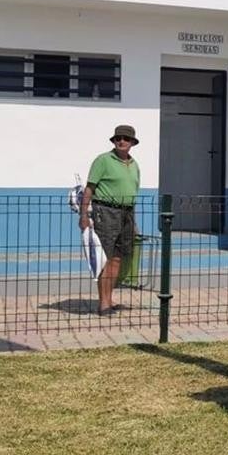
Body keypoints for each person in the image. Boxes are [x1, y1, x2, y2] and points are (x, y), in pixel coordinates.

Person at [79, 124, 141, 316]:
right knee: (105, 258)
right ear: (114, 141)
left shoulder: (134, 164)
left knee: (117, 258)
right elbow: (89, 188)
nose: (122, 141)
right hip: (106, 212)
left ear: (132, 143)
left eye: (126, 139)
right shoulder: (103, 160)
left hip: (127, 213)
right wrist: (83, 214)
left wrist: (133, 221)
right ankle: (103, 303)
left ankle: (109, 298)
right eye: (118, 138)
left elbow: (132, 192)